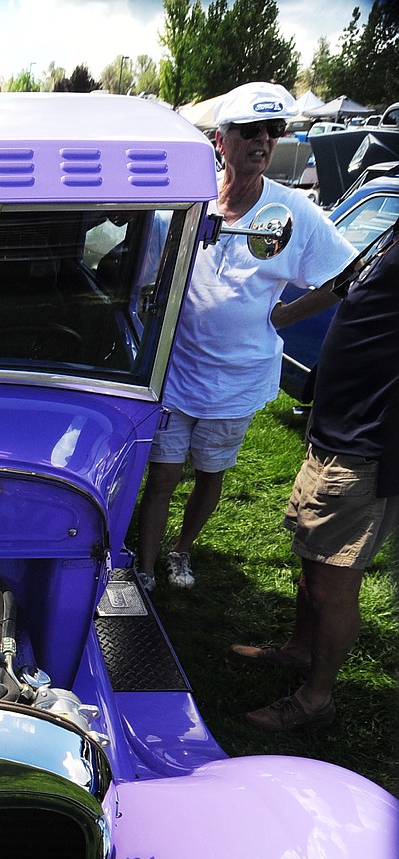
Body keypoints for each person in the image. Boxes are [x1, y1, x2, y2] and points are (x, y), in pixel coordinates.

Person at [134, 82, 357, 592]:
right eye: (249, 131)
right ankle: (144, 568)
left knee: (210, 473)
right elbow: (148, 273)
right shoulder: (189, 202)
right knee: (163, 476)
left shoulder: (293, 213)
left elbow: (346, 276)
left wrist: (282, 316)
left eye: (272, 132)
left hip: (236, 381)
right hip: (176, 369)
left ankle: (181, 551)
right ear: (221, 140)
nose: (262, 141)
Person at [230, 221, 399, 731]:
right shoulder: (391, 232)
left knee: (333, 582)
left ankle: (315, 701)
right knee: (312, 558)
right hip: (336, 430)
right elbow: (344, 286)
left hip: (368, 444)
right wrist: (278, 317)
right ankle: (300, 651)